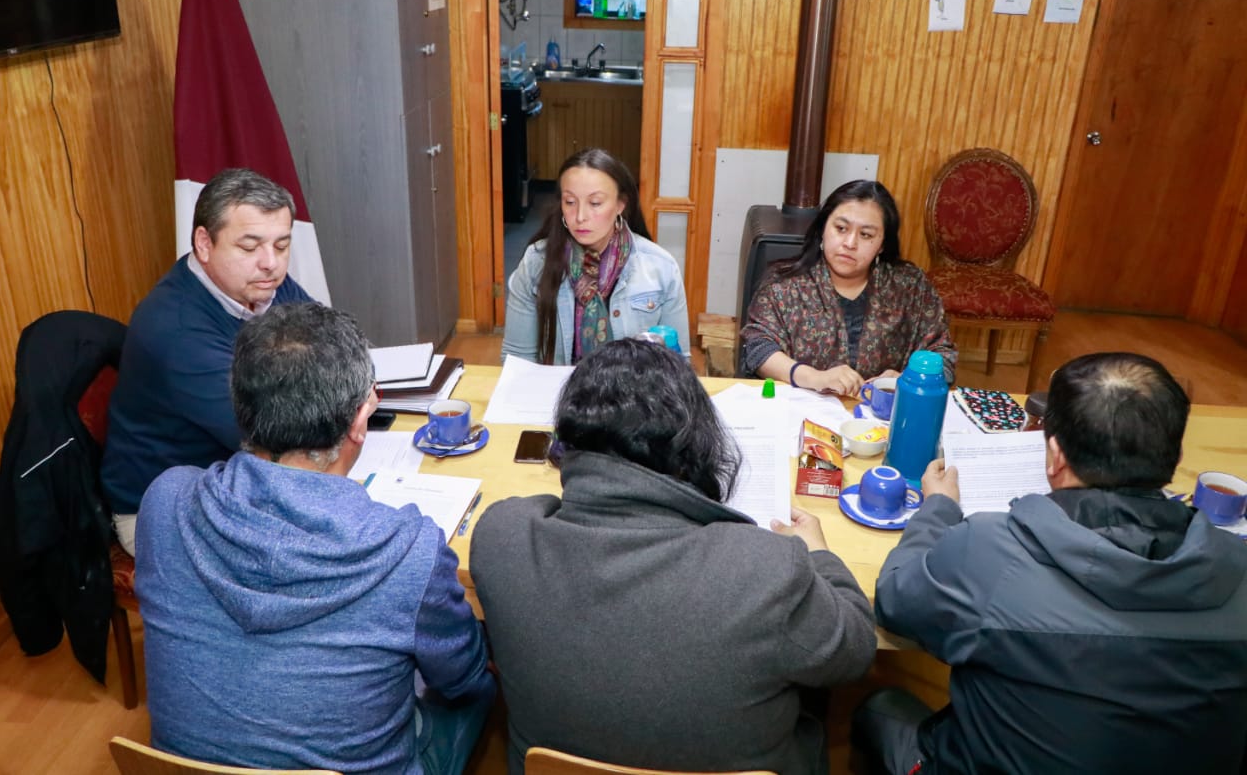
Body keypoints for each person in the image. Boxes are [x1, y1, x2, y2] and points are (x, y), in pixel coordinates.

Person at [471, 339, 877, 774]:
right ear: (692, 451)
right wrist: (819, 554)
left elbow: (527, 509)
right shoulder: (768, 568)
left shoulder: (500, 539)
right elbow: (855, 647)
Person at [135, 302, 495, 775]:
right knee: (481, 688)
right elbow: (462, 676)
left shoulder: (165, 502)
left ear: (241, 406)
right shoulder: (410, 551)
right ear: (360, 419)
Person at [856, 352, 1247, 775]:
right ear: (1172, 455)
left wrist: (937, 509)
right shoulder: (1237, 568)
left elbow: (894, 600)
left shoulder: (992, 549)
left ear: (1055, 456)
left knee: (880, 706)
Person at [100, 168, 313, 555]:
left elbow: (328, 350)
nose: (271, 263)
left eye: (281, 246)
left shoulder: (258, 283)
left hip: (245, 473)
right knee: (316, 560)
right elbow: (267, 440)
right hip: (167, 509)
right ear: (204, 243)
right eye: (249, 247)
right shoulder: (176, 332)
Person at [740, 180, 956, 397]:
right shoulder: (784, 285)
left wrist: (908, 378)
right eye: (841, 229)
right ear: (823, 229)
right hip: (802, 414)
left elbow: (944, 358)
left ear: (882, 244)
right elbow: (758, 349)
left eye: (866, 235)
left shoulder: (910, 287)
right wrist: (814, 377)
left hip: (880, 420)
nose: (850, 243)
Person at [501, 148, 690, 364]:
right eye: (570, 202)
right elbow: (516, 362)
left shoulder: (661, 267)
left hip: (635, 395)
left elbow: (679, 365)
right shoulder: (536, 262)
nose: (580, 217)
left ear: (621, 204)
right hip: (558, 394)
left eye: (595, 203)